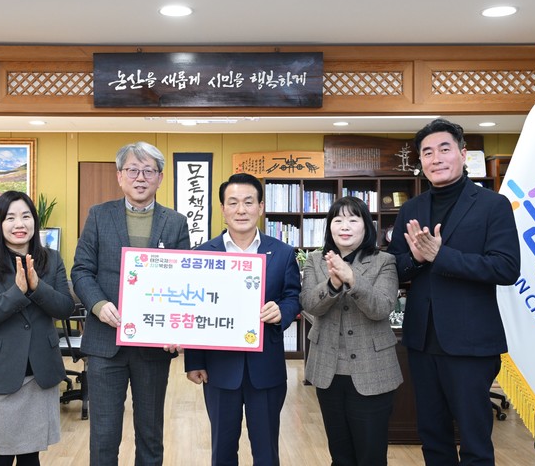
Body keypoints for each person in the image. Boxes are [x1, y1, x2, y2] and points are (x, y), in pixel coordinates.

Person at [387, 118, 520, 466]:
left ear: (463, 154)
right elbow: (395, 268)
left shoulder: (493, 205)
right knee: (432, 437)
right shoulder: (411, 209)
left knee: (475, 441)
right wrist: (416, 259)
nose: (436, 158)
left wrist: (440, 255)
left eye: (444, 149)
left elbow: (506, 268)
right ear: (421, 161)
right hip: (422, 341)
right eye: (428, 153)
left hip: (471, 343)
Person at [71, 141, 191, 465]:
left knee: (150, 436)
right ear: (120, 176)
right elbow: (81, 270)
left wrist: (175, 329)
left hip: (153, 346)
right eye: (133, 170)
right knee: (104, 436)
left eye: (148, 171)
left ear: (160, 178)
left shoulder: (175, 222)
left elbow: (183, 281)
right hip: (104, 343)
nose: (140, 177)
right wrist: (98, 305)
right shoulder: (99, 215)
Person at [184, 173, 301, 466]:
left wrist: (282, 312)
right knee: (222, 452)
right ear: (222, 209)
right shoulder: (203, 254)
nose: (241, 210)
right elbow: (195, 309)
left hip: (266, 369)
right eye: (233, 202)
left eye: (249, 202)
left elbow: (292, 297)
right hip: (220, 369)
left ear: (260, 207)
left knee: (266, 453)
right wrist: (194, 360)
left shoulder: (283, 253)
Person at [0, 190, 75, 466]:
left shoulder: (52, 259)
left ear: (34, 222)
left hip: (40, 372)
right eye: (11, 217)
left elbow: (65, 308)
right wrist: (16, 292)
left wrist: (37, 288)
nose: (19, 224)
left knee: (30, 457)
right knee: (0, 458)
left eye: (26, 216)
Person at [300, 196, 402, 466]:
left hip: (373, 370)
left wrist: (352, 279)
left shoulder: (384, 261)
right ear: (329, 227)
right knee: (340, 454)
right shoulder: (315, 260)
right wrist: (332, 285)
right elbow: (309, 304)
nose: (345, 226)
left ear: (366, 226)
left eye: (353, 220)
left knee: (371, 456)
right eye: (338, 220)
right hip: (328, 370)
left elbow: (381, 307)